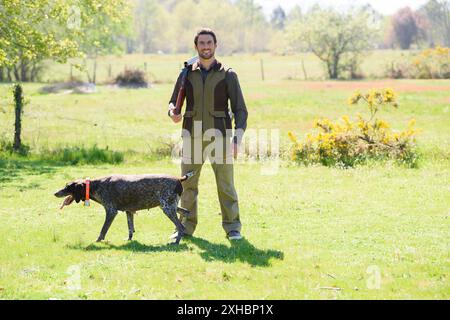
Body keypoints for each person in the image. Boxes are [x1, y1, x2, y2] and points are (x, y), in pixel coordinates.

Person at [167, 28, 248, 240]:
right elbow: (173, 101)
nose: (205, 47)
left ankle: (233, 229)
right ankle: (184, 228)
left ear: (215, 45)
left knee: (226, 185)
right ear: (196, 46)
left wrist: (237, 139)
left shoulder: (228, 74)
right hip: (191, 138)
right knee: (187, 186)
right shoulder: (186, 73)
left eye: (209, 43)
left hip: (220, 138)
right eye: (201, 43)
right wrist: (172, 112)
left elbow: (240, 109)